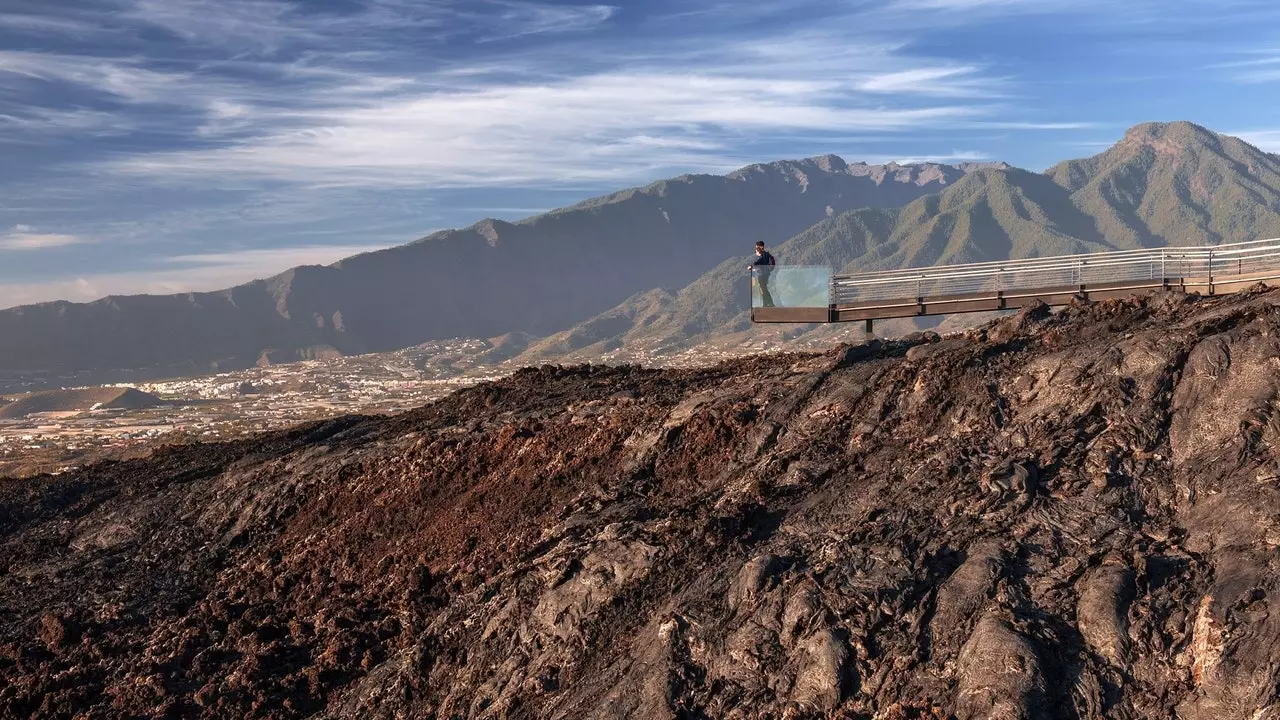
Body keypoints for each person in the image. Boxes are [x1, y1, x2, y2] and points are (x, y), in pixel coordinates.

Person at [749, 241, 777, 307]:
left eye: (757, 247)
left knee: (763, 289)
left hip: (762, 275)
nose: (756, 249)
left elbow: (758, 262)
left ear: (760, 247)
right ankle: (767, 303)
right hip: (764, 274)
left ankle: (769, 304)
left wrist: (752, 266)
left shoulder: (764, 255)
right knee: (763, 289)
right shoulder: (766, 255)